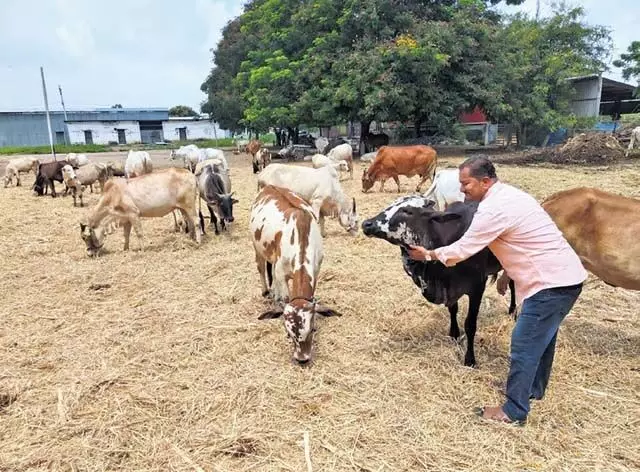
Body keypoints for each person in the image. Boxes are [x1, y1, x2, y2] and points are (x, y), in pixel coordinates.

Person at [407, 156, 587, 424]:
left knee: (524, 345)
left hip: (550, 284)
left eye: (466, 183)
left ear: (485, 181)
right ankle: (533, 390)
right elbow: (520, 240)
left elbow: (464, 249)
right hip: (568, 277)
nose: (462, 189)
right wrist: (506, 275)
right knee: (543, 339)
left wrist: (429, 255)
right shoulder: (514, 195)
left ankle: (514, 411)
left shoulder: (493, 210)